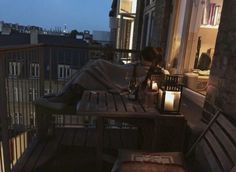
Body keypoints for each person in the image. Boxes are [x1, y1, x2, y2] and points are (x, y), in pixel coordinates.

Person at [35, 46, 164, 109]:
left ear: (143, 57)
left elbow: (123, 74)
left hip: (115, 81)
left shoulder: (146, 70)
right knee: (91, 67)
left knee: (93, 67)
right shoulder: (144, 68)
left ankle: (64, 97)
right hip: (116, 78)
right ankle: (63, 95)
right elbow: (125, 71)